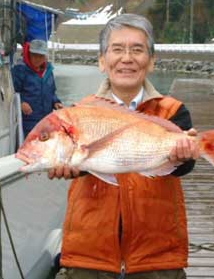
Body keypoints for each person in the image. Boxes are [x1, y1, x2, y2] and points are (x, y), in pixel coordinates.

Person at [50, 14, 199, 279]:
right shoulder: (79, 113)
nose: (127, 58)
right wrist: (69, 165)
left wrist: (184, 155)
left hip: (157, 256)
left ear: (151, 61)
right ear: (101, 61)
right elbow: (85, 163)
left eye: (137, 49)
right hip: (89, 254)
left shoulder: (173, 111)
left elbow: (181, 169)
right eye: (117, 49)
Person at [11, 39, 63, 138]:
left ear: (45, 57)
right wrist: (22, 103)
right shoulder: (20, 70)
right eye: (34, 55)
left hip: (46, 119)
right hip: (28, 121)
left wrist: (56, 102)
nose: (37, 59)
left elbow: (52, 92)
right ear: (29, 54)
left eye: (41, 56)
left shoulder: (48, 71)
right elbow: (12, 93)